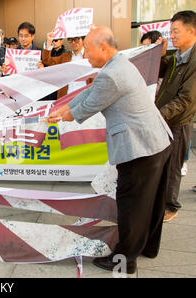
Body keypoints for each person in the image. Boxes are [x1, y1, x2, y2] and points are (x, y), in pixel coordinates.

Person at [47, 27, 173, 274]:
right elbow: (90, 93)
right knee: (152, 202)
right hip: (157, 142)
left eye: (88, 49)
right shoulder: (118, 64)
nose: (86, 55)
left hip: (140, 148)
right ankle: (147, 247)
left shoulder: (111, 75)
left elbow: (89, 105)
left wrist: (62, 117)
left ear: (103, 47)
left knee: (132, 206)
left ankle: (124, 260)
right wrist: (62, 109)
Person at [155, 10, 196, 222]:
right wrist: (160, 55)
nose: (172, 36)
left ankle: (171, 206)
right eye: (171, 31)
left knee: (173, 166)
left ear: (192, 31)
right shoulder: (177, 56)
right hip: (165, 119)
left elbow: (186, 99)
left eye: (176, 31)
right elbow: (159, 72)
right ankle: (161, 202)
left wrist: (158, 115)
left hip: (179, 121)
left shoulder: (194, 60)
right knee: (162, 163)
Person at [42, 31, 72, 99]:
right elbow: (46, 60)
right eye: (52, 41)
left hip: (60, 86)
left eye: (55, 40)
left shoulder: (66, 54)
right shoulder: (48, 52)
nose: (53, 42)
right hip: (48, 85)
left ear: (61, 41)